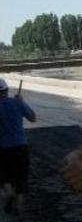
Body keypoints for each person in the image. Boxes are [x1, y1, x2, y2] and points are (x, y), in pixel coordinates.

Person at [0, 78, 37, 214]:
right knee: (21, 177)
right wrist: (22, 102)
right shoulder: (17, 102)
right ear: (6, 90)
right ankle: (19, 206)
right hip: (21, 146)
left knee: (4, 175)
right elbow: (33, 118)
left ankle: (9, 192)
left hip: (3, 148)